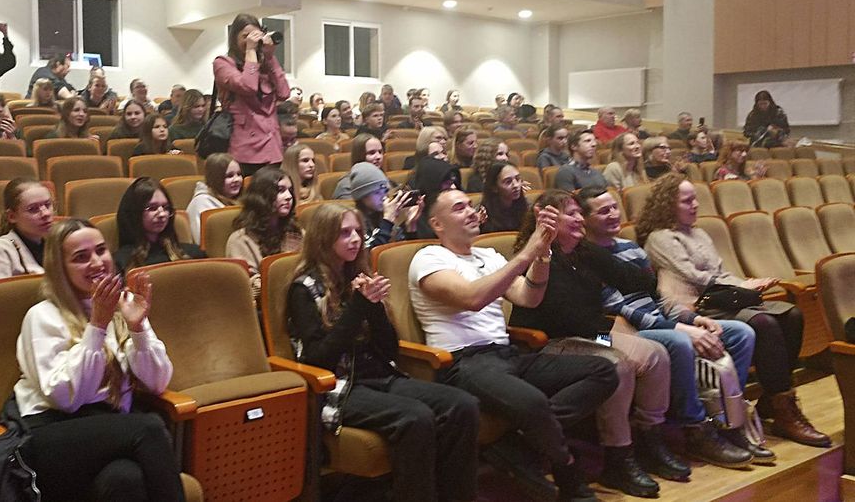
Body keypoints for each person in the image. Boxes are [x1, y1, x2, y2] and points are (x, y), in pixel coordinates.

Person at [516, 190, 757, 479]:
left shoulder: (583, 252)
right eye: (571, 214)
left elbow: (639, 282)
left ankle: (649, 438)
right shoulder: (539, 258)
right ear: (547, 219)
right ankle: (618, 454)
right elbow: (568, 318)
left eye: (580, 212)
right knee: (621, 360)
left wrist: (647, 270)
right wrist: (615, 333)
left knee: (655, 354)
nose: (580, 219)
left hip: (594, 336)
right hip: (555, 343)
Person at [409, 189, 618, 501]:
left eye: (470, 205)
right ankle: (569, 476)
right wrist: (527, 252)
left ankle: (518, 440)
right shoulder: (428, 258)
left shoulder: (489, 256)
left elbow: (528, 297)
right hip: (463, 362)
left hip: (507, 354)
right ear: (437, 224)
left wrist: (543, 254)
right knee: (533, 403)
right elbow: (472, 298)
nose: (471, 211)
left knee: (604, 370)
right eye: (459, 208)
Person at [288, 203, 479, 502]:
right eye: (344, 233)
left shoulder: (359, 277)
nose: (355, 239)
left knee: (463, 405)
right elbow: (318, 357)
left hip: (380, 376)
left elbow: (389, 350)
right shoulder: (304, 289)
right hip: (340, 388)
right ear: (323, 238)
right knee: (415, 417)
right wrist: (360, 307)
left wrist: (375, 309)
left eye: (358, 231)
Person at [578, 186, 771, 465]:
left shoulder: (631, 248)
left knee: (742, 333)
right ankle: (695, 429)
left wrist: (692, 318)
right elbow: (618, 308)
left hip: (658, 321)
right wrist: (676, 328)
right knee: (680, 342)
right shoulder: (585, 257)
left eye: (615, 207)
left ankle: (727, 418)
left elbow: (658, 298)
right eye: (603, 211)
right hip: (623, 331)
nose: (613, 214)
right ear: (585, 219)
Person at [637, 174, 830, 448]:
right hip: (695, 306)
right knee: (764, 323)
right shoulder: (660, 238)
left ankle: (773, 399)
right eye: (687, 201)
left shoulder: (699, 233)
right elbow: (695, 277)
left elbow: (720, 272)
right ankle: (783, 412)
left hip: (722, 300)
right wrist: (743, 286)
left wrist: (744, 285)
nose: (695, 205)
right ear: (668, 205)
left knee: (792, 315)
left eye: (695, 199)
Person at [12, 218, 186, 502]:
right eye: (81, 257)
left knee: (124, 479)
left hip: (112, 429)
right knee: (150, 427)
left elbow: (157, 383)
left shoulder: (124, 305)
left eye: (101, 250)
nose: (96, 262)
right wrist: (97, 327)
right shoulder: (42, 316)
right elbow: (65, 399)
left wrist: (138, 328)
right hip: (51, 434)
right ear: (60, 268)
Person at [213, 14, 289, 175]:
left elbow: (284, 93)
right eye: (245, 36)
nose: (251, 41)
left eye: (255, 36)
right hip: (244, 149)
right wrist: (250, 51)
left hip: (272, 147)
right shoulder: (223, 63)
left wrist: (270, 57)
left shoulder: (265, 63)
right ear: (234, 38)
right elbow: (248, 86)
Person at [226, 166, 303, 299]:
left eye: (290, 190)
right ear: (262, 196)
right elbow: (248, 288)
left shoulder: (296, 233)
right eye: (280, 190)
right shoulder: (240, 240)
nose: (289, 197)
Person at [113, 177, 204, 274]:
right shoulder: (122, 262)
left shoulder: (194, 254)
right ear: (135, 213)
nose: (162, 214)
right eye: (152, 208)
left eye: (166, 207)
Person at [0, 178, 52, 280]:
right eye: (33, 209)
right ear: (12, 216)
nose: (46, 213)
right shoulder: (1, 248)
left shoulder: (59, 242)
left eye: (47, 205)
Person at [349, 162, 423, 249]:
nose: (384, 197)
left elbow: (405, 252)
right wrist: (388, 220)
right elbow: (369, 253)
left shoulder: (384, 215)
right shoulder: (354, 222)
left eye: (385, 191)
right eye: (377, 192)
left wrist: (411, 226)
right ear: (362, 196)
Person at [186, 153, 242, 243]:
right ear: (216, 178)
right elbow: (203, 242)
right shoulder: (201, 203)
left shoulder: (240, 200)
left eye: (239, 174)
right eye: (229, 176)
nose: (237, 179)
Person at [479, 162, 526, 234]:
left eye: (517, 179)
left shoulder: (526, 207)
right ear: (494, 187)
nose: (516, 185)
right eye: (508, 182)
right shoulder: (484, 215)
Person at [333, 134, 385, 199]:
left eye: (380, 152)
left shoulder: (383, 179)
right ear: (359, 156)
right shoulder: (346, 185)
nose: (378, 157)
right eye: (371, 153)